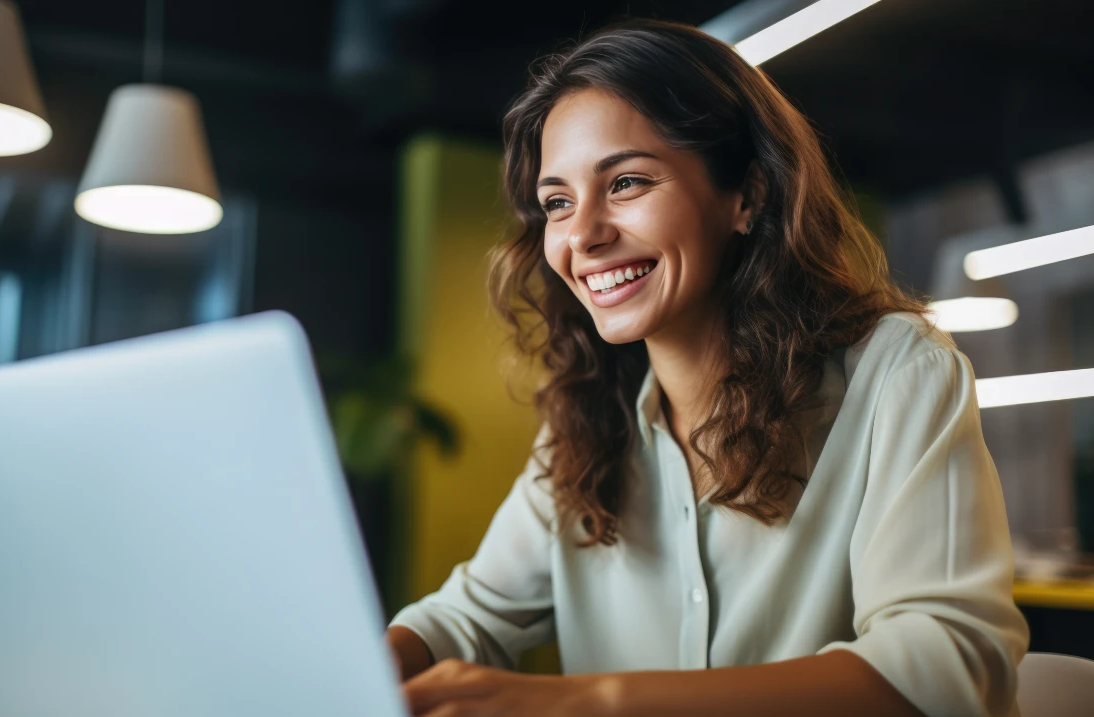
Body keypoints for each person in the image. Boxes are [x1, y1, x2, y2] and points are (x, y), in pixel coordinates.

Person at [386, 19, 1029, 717]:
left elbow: (947, 665)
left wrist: (597, 702)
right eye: (558, 202)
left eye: (626, 181)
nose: (584, 235)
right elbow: (464, 618)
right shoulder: (585, 424)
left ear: (747, 196)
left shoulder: (896, 374)